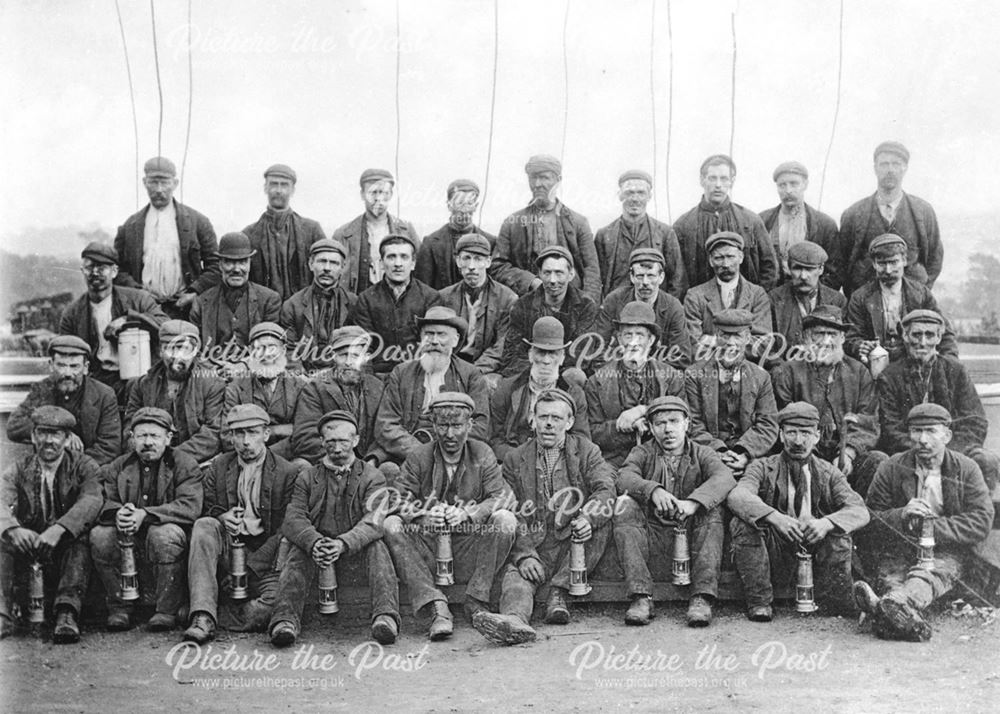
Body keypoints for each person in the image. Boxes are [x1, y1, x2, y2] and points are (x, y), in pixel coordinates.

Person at [472, 389, 615, 644]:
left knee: (601, 524)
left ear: (569, 422)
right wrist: (525, 555)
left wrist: (587, 518)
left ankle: (559, 593)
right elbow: (512, 507)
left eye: (557, 418)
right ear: (533, 419)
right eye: (543, 417)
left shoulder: (586, 450)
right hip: (534, 541)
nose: (549, 423)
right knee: (517, 580)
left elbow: (605, 488)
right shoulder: (516, 458)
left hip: (571, 541)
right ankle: (514, 621)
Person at [855, 404, 995, 642]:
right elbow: (871, 518)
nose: (922, 440)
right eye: (916, 431)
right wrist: (901, 516)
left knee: (930, 576)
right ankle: (899, 611)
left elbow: (981, 519)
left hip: (947, 551)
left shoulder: (966, 468)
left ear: (947, 435)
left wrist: (929, 528)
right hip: (900, 550)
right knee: (893, 579)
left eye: (930, 431)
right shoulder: (891, 467)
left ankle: (886, 608)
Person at [383, 393, 516, 641]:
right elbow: (397, 500)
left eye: (457, 426)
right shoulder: (419, 456)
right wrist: (423, 516)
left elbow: (502, 497)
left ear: (469, 426)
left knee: (506, 520)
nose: (450, 434)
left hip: (468, 547)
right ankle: (435, 606)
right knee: (391, 524)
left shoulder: (482, 453)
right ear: (433, 426)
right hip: (430, 548)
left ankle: (476, 600)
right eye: (443, 425)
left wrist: (468, 513)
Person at [268, 411, 400, 647]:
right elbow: (294, 517)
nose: (337, 448)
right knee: (298, 551)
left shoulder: (372, 476)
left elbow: (374, 520)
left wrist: (343, 543)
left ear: (356, 441)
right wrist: (315, 542)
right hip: (318, 554)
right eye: (330, 442)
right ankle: (284, 620)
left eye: (343, 441)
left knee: (378, 548)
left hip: (355, 554)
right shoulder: (307, 477)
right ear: (322, 442)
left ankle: (385, 617)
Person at [728, 402, 870, 621]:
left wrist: (827, 523)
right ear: (781, 436)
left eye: (805, 433)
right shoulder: (762, 467)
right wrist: (775, 518)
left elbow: (859, 510)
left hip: (816, 553)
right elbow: (738, 496)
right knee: (742, 523)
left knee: (839, 531)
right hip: (775, 551)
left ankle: (838, 599)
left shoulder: (829, 472)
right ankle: (759, 601)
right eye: (791, 432)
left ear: (817, 436)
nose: (798, 441)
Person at [613, 396, 736, 627]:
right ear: (650, 427)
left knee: (712, 510)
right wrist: (653, 491)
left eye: (674, 421)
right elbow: (624, 477)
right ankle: (641, 597)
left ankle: (702, 597)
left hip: (693, 539)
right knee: (624, 506)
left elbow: (724, 477)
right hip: (653, 537)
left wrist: (694, 502)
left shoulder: (703, 453)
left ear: (687, 424)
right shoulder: (642, 452)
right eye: (660, 423)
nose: (668, 429)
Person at [183, 405, 298, 644]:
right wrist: (221, 517)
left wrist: (250, 565)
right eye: (239, 434)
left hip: (266, 558)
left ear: (266, 434)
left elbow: (287, 527)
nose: (246, 441)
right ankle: (203, 616)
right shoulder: (219, 466)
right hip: (230, 548)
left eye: (253, 433)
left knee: (273, 607)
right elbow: (207, 508)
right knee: (205, 525)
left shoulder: (288, 472)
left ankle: (217, 609)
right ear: (231, 437)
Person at [90, 408, 203, 631]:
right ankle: (119, 606)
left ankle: (166, 609)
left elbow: (190, 506)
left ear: (168, 438)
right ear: (132, 438)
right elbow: (101, 498)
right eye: (142, 436)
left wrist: (146, 514)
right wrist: (117, 512)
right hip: (129, 541)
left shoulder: (184, 465)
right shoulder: (119, 466)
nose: (148, 442)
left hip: (165, 543)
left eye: (154, 436)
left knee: (164, 533)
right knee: (100, 535)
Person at [0, 406, 102, 642]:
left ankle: (67, 613)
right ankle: (3, 614)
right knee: (2, 541)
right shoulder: (18, 469)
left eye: (56, 434)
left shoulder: (84, 466)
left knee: (81, 541)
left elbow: (92, 499)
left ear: (67, 439)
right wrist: (13, 529)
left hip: (64, 549)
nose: (48, 441)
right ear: (33, 436)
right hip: (31, 548)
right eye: (43, 433)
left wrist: (60, 528)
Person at [877, 309, 999, 491]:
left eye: (929, 335)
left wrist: (946, 452)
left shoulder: (955, 370)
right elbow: (890, 427)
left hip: (953, 449)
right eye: (916, 335)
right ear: (905, 336)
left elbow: (975, 422)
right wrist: (922, 448)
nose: (922, 342)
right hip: (909, 450)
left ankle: (979, 516)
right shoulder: (890, 376)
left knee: (985, 460)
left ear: (939, 338)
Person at [771, 305, 886, 497]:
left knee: (877, 460)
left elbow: (868, 420)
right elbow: (782, 419)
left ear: (842, 338)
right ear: (806, 337)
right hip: (803, 451)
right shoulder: (788, 372)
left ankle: (861, 519)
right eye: (819, 334)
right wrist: (811, 455)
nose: (826, 341)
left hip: (846, 450)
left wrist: (848, 452)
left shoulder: (858, 371)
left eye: (832, 334)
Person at [373, 308, 489, 469]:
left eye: (441, 334)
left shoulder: (470, 374)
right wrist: (420, 452)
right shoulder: (402, 372)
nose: (434, 341)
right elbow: (386, 424)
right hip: (408, 453)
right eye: (429, 334)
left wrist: (446, 450)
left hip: (454, 453)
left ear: (455, 340)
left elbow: (480, 426)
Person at [58, 241, 168, 398]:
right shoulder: (73, 312)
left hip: (139, 377)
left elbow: (165, 326)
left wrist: (129, 319)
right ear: (82, 271)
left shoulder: (138, 299)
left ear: (114, 272)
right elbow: (65, 352)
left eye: (102, 268)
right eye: (89, 267)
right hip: (97, 380)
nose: (95, 273)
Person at [113, 156, 219, 318]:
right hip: (144, 310)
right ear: (144, 182)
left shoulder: (198, 222)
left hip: (185, 310)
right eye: (153, 182)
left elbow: (215, 265)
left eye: (165, 182)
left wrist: (194, 292)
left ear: (175, 183)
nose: (159, 189)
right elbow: (117, 269)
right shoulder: (130, 226)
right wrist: (138, 293)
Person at [585, 302, 685, 467]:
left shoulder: (671, 377)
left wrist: (643, 411)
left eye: (640, 335)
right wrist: (627, 426)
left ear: (651, 340)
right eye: (628, 335)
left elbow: (680, 421)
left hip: (662, 458)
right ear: (619, 339)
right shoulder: (597, 382)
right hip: (615, 461)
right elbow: (592, 432)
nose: (633, 342)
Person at [491, 154, 602, 301]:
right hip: (527, 301)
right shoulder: (512, 223)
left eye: (544, 178)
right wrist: (530, 281)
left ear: (558, 180)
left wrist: (587, 303)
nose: (537, 184)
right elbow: (497, 266)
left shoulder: (578, 222)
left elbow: (591, 269)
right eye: (533, 178)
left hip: (570, 303)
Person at [840, 142, 943, 297]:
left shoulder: (923, 211)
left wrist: (921, 292)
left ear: (905, 168)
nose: (890, 170)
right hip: (866, 305)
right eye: (884, 164)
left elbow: (934, 258)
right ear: (875, 168)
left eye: (896, 164)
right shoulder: (854, 214)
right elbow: (843, 261)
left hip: (911, 302)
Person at [684, 309, 779, 476]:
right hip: (707, 454)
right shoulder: (694, 375)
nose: (730, 343)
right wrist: (717, 452)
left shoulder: (760, 377)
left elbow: (768, 424)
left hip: (749, 457)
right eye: (725, 335)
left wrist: (744, 454)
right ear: (715, 335)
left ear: (748, 338)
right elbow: (692, 422)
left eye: (737, 336)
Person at [845, 234, 957, 365]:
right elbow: (851, 337)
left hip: (912, 362)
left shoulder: (920, 294)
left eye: (893, 262)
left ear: (904, 260)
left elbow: (943, 330)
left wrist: (952, 363)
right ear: (874, 264)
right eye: (882, 263)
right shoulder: (860, 297)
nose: (888, 270)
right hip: (875, 364)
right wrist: (861, 346)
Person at [7, 336, 121, 465]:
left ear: (86, 367)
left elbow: (110, 446)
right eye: (61, 365)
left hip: (87, 470)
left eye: (74, 366)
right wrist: (60, 433)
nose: (67, 373)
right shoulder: (42, 389)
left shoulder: (104, 395)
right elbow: (14, 426)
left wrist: (74, 467)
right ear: (51, 365)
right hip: (47, 467)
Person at [124, 320, 225, 464]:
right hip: (149, 458)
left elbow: (212, 434)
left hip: (196, 463)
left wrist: (172, 456)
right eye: (170, 349)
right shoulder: (142, 385)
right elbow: (130, 429)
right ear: (160, 351)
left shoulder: (212, 384)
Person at [490, 317, 590, 463]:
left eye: (553, 353)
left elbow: (581, 441)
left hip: (557, 464)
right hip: (515, 462)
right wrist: (523, 458)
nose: (546, 360)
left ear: (562, 358)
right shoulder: (507, 389)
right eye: (541, 352)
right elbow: (495, 440)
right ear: (530, 355)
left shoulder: (573, 394)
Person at [673, 154, 777, 292]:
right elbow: (676, 273)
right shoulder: (684, 224)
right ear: (702, 180)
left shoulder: (750, 220)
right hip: (700, 306)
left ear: (732, 182)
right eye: (712, 178)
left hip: (745, 305)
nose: (718, 185)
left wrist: (758, 300)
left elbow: (769, 265)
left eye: (724, 179)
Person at [348, 233, 441, 375]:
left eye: (404, 257)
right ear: (381, 263)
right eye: (391, 257)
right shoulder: (366, 299)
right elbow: (364, 349)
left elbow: (433, 347)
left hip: (418, 375)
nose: (398, 264)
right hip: (380, 377)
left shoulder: (430, 298)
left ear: (413, 263)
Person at [500, 245, 598, 378]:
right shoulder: (522, 306)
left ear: (571, 274)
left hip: (563, 374)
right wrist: (540, 371)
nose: (552, 280)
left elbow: (580, 355)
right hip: (531, 372)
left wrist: (552, 373)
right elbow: (512, 355)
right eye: (547, 273)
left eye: (559, 273)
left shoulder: (585, 306)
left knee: (576, 376)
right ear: (539, 274)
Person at [292, 326, 384, 466]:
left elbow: (385, 432)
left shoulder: (377, 387)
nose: (348, 362)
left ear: (366, 358)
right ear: (334, 357)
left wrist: (374, 458)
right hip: (330, 461)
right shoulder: (315, 387)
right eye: (342, 355)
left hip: (367, 464)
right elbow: (305, 437)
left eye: (355, 355)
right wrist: (341, 459)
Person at [437, 233, 517, 388]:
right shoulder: (444, 297)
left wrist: (473, 371)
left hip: (488, 369)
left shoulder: (507, 299)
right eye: (466, 258)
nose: (472, 266)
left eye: (478, 259)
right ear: (458, 261)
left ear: (488, 262)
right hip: (451, 366)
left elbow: (502, 346)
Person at [593, 248, 692, 370]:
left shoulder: (673, 307)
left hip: (657, 376)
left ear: (661, 277)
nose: (645, 282)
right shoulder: (614, 301)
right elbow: (599, 350)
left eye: (651, 276)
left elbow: (681, 358)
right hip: (618, 374)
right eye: (640, 276)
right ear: (631, 277)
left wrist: (646, 372)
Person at [593, 170, 687, 299]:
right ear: (620, 195)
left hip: (654, 308)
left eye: (641, 193)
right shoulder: (604, 235)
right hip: (616, 307)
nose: (635, 199)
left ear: (649, 196)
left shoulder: (665, 233)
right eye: (629, 193)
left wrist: (666, 310)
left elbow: (677, 278)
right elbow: (595, 278)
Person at [189, 232, 282, 359]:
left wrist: (242, 367)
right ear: (220, 264)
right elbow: (196, 352)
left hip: (254, 372)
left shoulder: (269, 300)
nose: (237, 269)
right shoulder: (201, 303)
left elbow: (270, 349)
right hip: (213, 373)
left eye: (242, 262)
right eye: (230, 262)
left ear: (249, 264)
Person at [243, 163, 326, 301]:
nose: (279, 190)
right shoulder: (249, 234)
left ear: (292, 190)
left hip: (303, 308)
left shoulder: (311, 230)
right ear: (265, 188)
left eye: (284, 185)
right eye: (274, 184)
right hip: (264, 309)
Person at [332, 168, 421, 295]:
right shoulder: (344, 234)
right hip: (358, 303)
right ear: (362, 194)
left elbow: (419, 271)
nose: (378, 198)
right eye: (372, 192)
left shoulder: (406, 231)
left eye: (383, 193)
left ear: (390, 195)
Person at [223, 323, 304, 460]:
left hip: (288, 460)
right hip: (246, 459)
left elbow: (303, 434)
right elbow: (227, 436)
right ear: (250, 351)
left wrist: (269, 433)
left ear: (283, 350)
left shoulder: (299, 386)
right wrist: (282, 430)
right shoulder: (235, 389)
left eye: (272, 348)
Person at [759, 161, 842, 290]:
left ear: (805, 184)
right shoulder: (763, 221)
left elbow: (834, 272)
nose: (788, 191)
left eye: (794, 184)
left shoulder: (825, 224)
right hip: (772, 297)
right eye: (782, 185)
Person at [279, 238, 356, 371]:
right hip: (305, 378)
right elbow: (288, 350)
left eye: (334, 263)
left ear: (342, 268)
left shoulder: (354, 303)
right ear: (310, 264)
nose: (327, 268)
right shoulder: (292, 305)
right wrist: (303, 379)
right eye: (321, 261)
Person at [683, 232, 772, 347]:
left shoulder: (757, 294)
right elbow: (693, 341)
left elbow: (763, 343)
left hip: (748, 363)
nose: (725, 264)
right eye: (719, 258)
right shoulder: (695, 296)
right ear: (710, 261)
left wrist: (712, 341)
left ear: (741, 258)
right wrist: (736, 342)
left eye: (730, 257)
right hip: (708, 363)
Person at [415, 179, 497, 290]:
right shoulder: (431, 243)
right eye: (459, 203)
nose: (464, 209)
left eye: (469, 203)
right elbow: (422, 289)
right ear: (449, 205)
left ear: (476, 206)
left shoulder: (490, 242)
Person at [766, 242, 846, 352]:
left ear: (821, 269)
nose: (803, 276)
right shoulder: (774, 299)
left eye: (809, 269)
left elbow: (844, 344)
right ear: (789, 268)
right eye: (797, 268)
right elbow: (767, 346)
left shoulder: (837, 300)